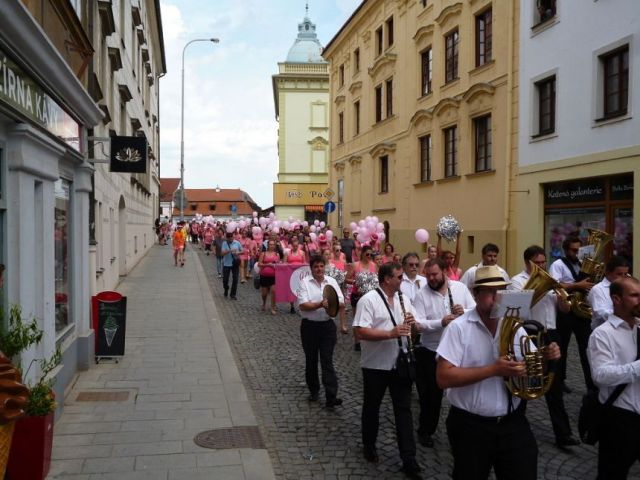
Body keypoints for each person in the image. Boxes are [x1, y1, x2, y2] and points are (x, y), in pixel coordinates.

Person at [436, 265, 561, 480]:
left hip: (513, 423)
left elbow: (531, 370)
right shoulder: (458, 328)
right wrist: (492, 369)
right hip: (470, 427)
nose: (497, 298)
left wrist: (545, 358)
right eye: (490, 292)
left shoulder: (515, 327)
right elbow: (443, 378)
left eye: (501, 291)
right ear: (475, 295)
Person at [352, 262, 424, 479]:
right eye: (399, 277)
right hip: (376, 365)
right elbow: (360, 332)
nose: (403, 280)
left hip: (400, 364)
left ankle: (409, 459)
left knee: (403, 411)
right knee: (372, 407)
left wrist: (413, 326)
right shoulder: (368, 300)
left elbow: (415, 329)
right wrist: (390, 333)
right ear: (387, 279)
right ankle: (369, 445)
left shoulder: (405, 300)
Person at [508, 245, 578, 448]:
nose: (541, 266)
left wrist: (563, 300)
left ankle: (563, 434)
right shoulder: (516, 281)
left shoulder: (551, 282)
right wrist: (539, 288)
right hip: (529, 333)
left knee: (553, 383)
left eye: (542, 262)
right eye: (536, 263)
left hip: (551, 333)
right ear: (527, 262)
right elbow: (516, 312)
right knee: (526, 380)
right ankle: (514, 427)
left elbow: (563, 309)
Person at [413, 258, 475, 448]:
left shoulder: (460, 289)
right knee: (431, 397)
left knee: (464, 392)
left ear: (444, 273)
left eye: (435, 274)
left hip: (459, 351)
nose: (431, 278)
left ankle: (464, 429)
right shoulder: (421, 294)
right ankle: (426, 430)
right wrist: (441, 322)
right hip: (431, 351)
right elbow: (418, 324)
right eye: (428, 275)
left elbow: (475, 309)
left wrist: (464, 311)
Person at [588, 276, 640, 480]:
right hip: (620, 418)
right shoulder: (602, 334)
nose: (639, 300)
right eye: (635, 296)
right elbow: (600, 376)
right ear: (616, 299)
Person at [296, 255, 345, 408]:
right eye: (316, 266)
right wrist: (320, 304)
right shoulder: (304, 283)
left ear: (325, 267)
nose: (319, 269)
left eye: (321, 266)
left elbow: (342, 301)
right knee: (311, 361)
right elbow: (303, 305)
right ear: (311, 269)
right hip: (309, 327)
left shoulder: (331, 282)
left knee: (327, 360)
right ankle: (314, 390)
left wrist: (332, 303)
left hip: (327, 326)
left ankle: (331, 396)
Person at [549, 236, 596, 392]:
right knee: (563, 348)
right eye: (574, 250)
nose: (577, 253)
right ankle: (559, 381)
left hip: (581, 312)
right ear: (566, 250)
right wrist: (578, 285)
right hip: (566, 311)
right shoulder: (558, 264)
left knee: (587, 348)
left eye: (579, 250)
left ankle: (591, 383)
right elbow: (554, 285)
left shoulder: (584, 264)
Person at [587, 255, 630, 330]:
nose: (623, 278)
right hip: (604, 333)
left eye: (625, 274)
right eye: (619, 274)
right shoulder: (598, 289)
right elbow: (601, 314)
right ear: (608, 273)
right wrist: (627, 312)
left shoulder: (628, 287)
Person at [258, 239, 281, 314]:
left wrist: (275, 265)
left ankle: (272, 307)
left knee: (273, 291)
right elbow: (259, 264)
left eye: (273, 245)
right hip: (264, 275)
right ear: (267, 245)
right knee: (264, 294)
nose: (271, 246)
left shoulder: (277, 254)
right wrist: (267, 265)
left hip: (274, 276)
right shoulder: (263, 254)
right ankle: (264, 303)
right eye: (270, 244)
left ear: (275, 246)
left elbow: (278, 264)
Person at [221, 231, 242, 300]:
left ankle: (233, 294)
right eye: (229, 237)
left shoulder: (237, 242)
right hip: (226, 263)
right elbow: (222, 253)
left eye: (231, 237)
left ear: (233, 237)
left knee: (235, 279)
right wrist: (230, 250)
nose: (230, 238)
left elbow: (242, 251)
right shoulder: (224, 243)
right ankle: (226, 288)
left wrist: (237, 253)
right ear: (226, 238)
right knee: (225, 279)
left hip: (235, 263)